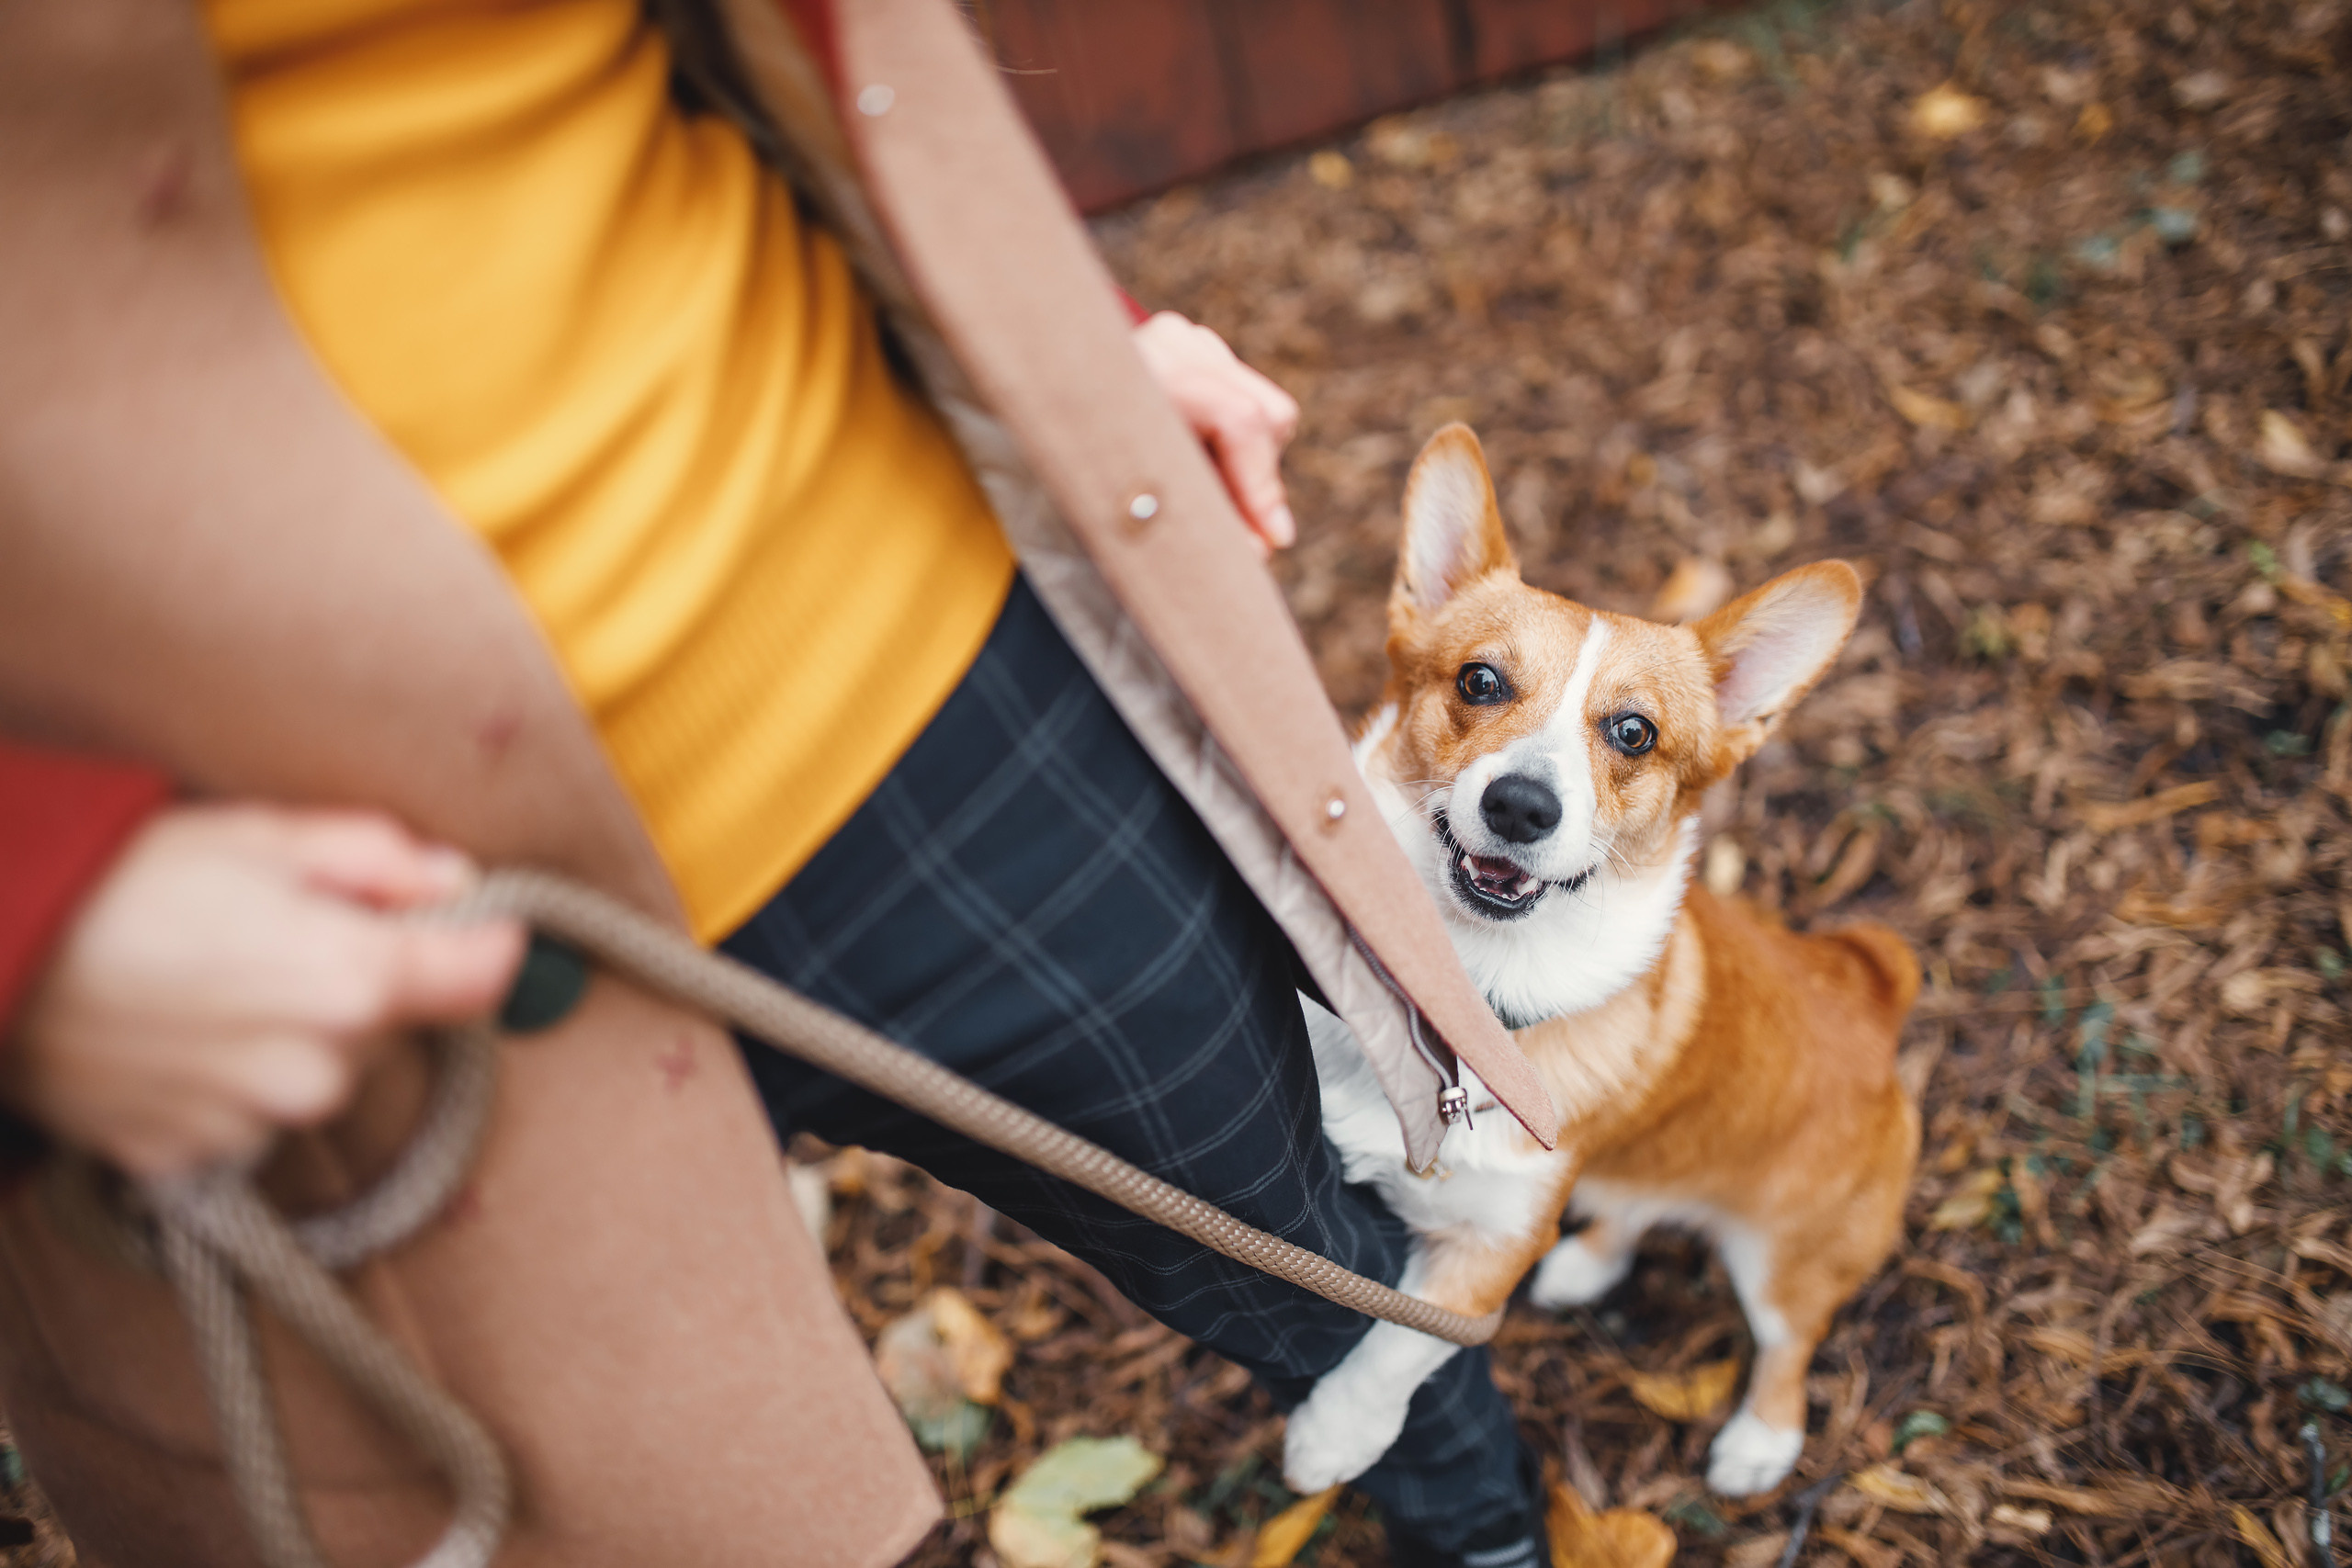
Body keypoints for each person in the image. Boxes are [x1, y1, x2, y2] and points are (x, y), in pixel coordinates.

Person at [0, 2, 1555, 1564]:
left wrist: (1070, 328)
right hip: (327, 944)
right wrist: (39, 905)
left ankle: (1479, 1534)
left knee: (1317, 1257)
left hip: (937, 692)